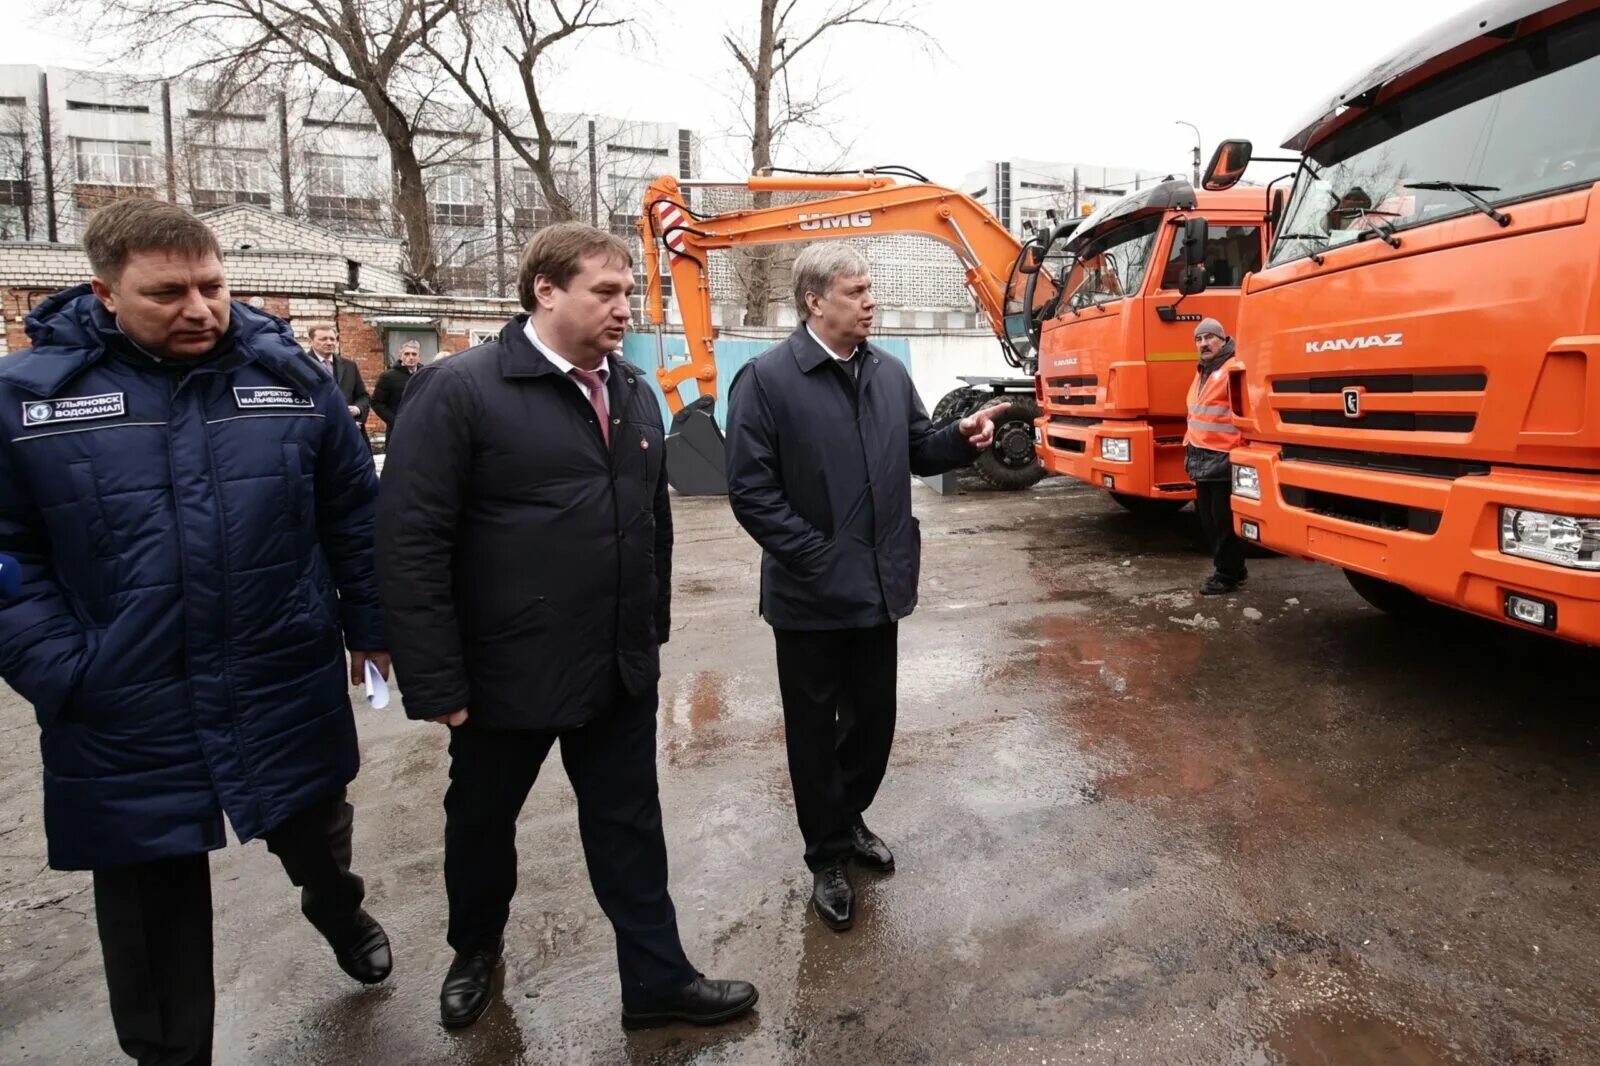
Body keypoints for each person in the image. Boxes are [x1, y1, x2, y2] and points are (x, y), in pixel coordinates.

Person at [0, 199, 392, 1065]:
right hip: (120, 690)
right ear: (105, 292)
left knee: (315, 832)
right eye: (167, 292)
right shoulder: (29, 399)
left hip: (277, 667)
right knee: (147, 906)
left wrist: (368, 623)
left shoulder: (290, 379)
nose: (199, 309)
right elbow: (7, 550)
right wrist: (60, 666)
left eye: (212, 286)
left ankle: (338, 909)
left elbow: (352, 513)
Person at [376, 221, 757, 1031]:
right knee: (481, 828)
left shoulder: (632, 392)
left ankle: (656, 982)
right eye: (606, 292)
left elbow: (650, 523)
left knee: (629, 829)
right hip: (502, 675)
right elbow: (410, 545)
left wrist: (646, 634)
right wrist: (436, 681)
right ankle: (475, 952)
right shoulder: (461, 390)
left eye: (629, 293)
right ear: (545, 291)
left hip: (615, 666)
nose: (624, 309)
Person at [723, 242, 1008, 932]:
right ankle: (826, 855)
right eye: (857, 291)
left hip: (880, 588)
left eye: (871, 289)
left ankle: (846, 817)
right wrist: (818, 559)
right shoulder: (765, 381)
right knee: (814, 732)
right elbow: (751, 493)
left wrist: (959, 439)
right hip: (810, 596)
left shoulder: (887, 372)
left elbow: (917, 448)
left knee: (874, 721)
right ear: (815, 302)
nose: (871, 301)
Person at [1185, 317, 1248, 595]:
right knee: (1209, 521)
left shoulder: (1232, 369)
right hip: (1201, 456)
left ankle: (1226, 574)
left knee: (1222, 521)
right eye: (1199, 339)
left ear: (1222, 340)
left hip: (1224, 456)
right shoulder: (1203, 372)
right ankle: (1236, 568)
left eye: (1209, 337)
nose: (1203, 343)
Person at [307, 322, 371, 440]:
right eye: (323, 339)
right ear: (310, 341)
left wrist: (357, 410)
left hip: (349, 432)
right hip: (316, 434)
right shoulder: (301, 365)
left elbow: (363, 397)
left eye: (332, 339)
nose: (329, 342)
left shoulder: (349, 366)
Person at [372, 339, 421, 430]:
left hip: (421, 428)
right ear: (400, 356)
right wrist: (395, 421)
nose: (410, 357)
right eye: (406, 354)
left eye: (414, 354)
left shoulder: (425, 374)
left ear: (419, 357)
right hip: (397, 430)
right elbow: (377, 403)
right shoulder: (388, 377)